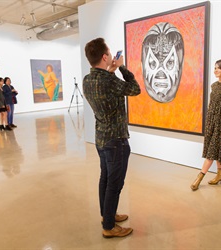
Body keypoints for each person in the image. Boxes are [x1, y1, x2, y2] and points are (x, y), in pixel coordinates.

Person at [83, 38, 141, 238]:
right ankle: (109, 226)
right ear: (105, 56)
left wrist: (112, 71)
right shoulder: (109, 80)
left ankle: (107, 215)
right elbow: (135, 89)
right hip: (116, 140)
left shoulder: (88, 80)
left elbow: (105, 87)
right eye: (108, 52)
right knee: (114, 184)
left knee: (105, 179)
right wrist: (122, 67)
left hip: (101, 139)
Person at [191, 59, 221, 191]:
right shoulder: (214, 85)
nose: (215, 70)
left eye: (218, 68)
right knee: (216, 149)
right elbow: (211, 105)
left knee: (211, 153)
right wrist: (208, 123)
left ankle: (199, 178)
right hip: (211, 121)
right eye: (215, 68)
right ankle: (220, 175)